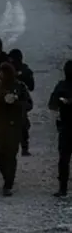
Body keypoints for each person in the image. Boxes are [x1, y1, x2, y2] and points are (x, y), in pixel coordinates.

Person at [0, 62, 33, 196]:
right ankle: (6, 176)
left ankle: (8, 184)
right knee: (0, 155)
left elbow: (29, 104)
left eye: (3, 72)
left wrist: (16, 101)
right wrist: (2, 98)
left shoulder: (20, 87)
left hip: (14, 125)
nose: (1, 75)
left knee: (11, 155)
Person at [48, 60, 72, 197]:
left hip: (66, 127)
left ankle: (63, 188)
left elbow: (52, 104)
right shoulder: (62, 86)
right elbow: (52, 104)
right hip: (66, 126)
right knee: (63, 159)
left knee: (64, 159)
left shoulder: (62, 86)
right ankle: (62, 187)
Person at [8, 48, 35, 156]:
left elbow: (31, 86)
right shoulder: (6, 70)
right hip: (7, 100)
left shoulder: (24, 70)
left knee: (23, 125)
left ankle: (24, 147)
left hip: (20, 101)